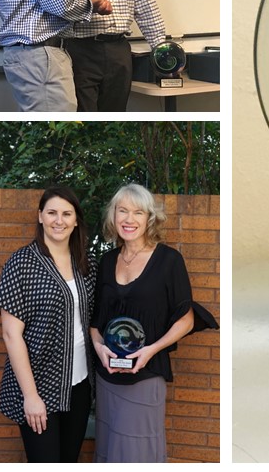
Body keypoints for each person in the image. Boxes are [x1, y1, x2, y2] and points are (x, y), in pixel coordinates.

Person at [89, 184, 217, 462]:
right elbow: (95, 322)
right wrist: (101, 351)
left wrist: (151, 350)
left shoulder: (169, 260)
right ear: (113, 216)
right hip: (107, 375)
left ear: (150, 218)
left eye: (137, 212)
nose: (129, 219)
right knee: (110, 449)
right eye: (122, 210)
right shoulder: (107, 261)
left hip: (145, 373)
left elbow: (186, 319)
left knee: (137, 451)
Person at [0, 187, 94, 462]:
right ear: (40, 216)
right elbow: (11, 335)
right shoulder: (21, 263)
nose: (58, 220)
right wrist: (31, 396)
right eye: (52, 213)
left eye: (66, 214)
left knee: (69, 460)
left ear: (75, 220)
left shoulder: (86, 264)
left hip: (79, 384)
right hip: (38, 386)